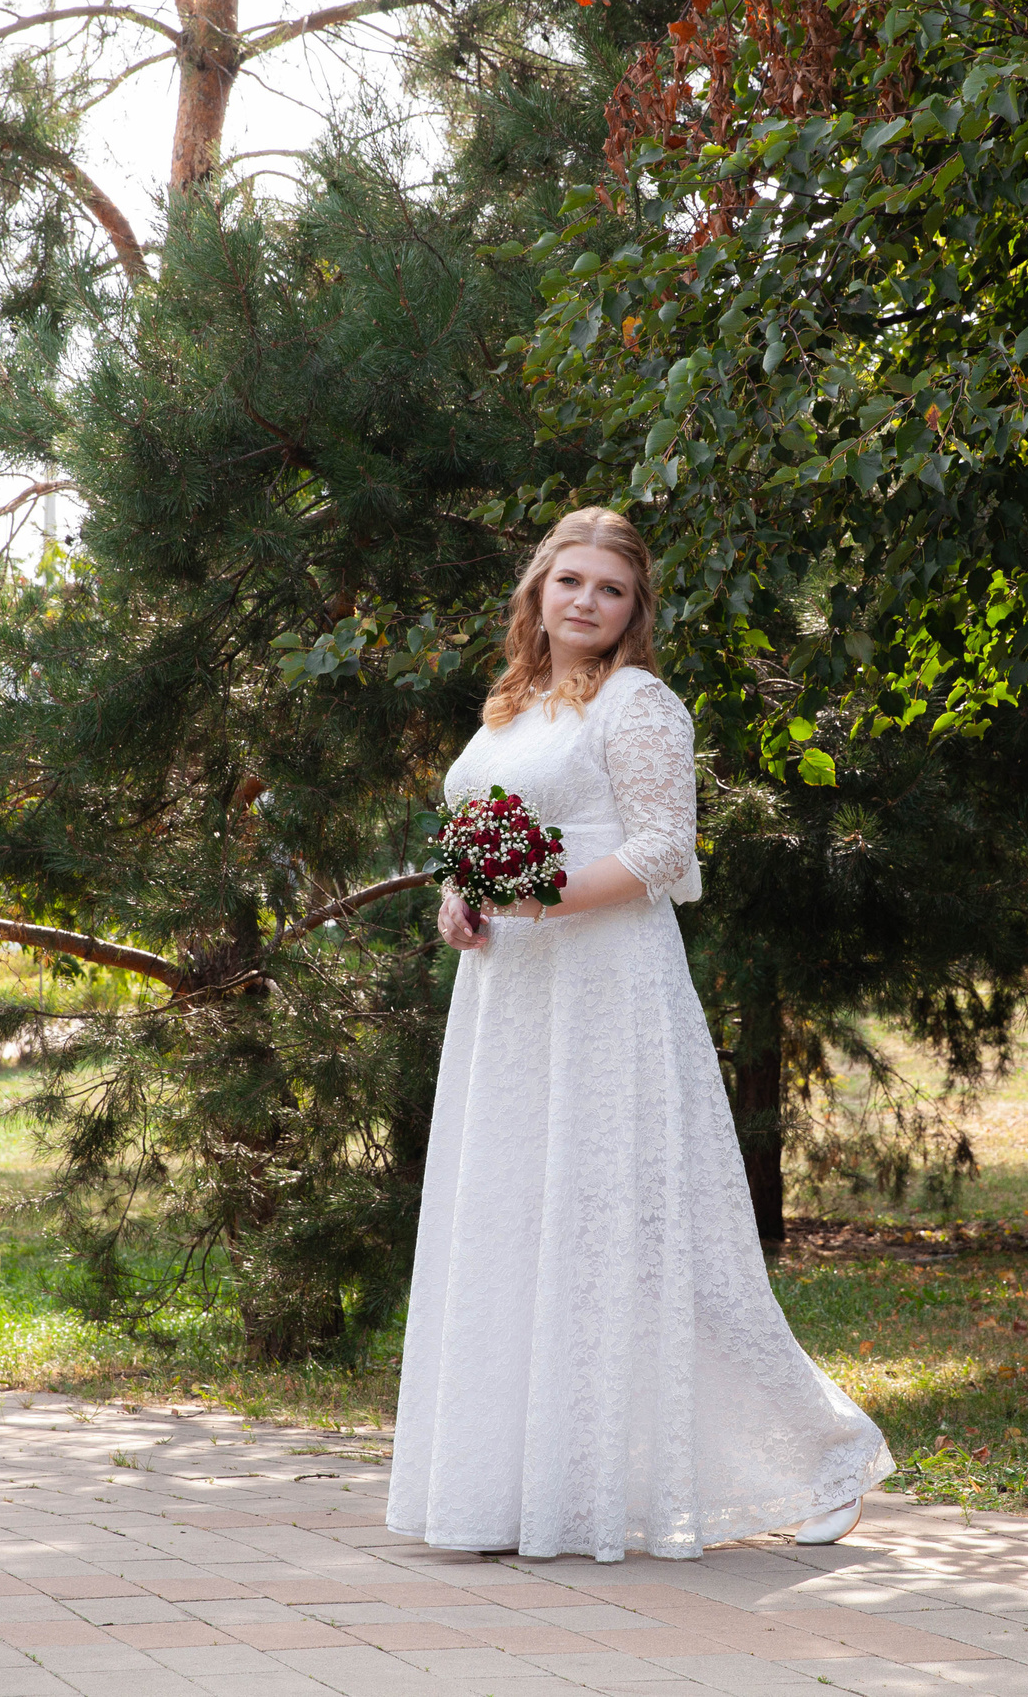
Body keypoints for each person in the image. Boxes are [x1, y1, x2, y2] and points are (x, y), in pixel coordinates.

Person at [386, 507, 891, 1564]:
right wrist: (459, 897)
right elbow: (474, 842)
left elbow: (662, 851)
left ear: (632, 610)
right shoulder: (509, 709)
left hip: (606, 990)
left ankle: (827, 1449)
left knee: (647, 1243)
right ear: (537, 590)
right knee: (518, 1229)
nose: (586, 602)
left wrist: (533, 895)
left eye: (610, 590)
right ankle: (526, 1491)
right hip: (511, 1001)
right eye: (569, 581)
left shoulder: (639, 704)